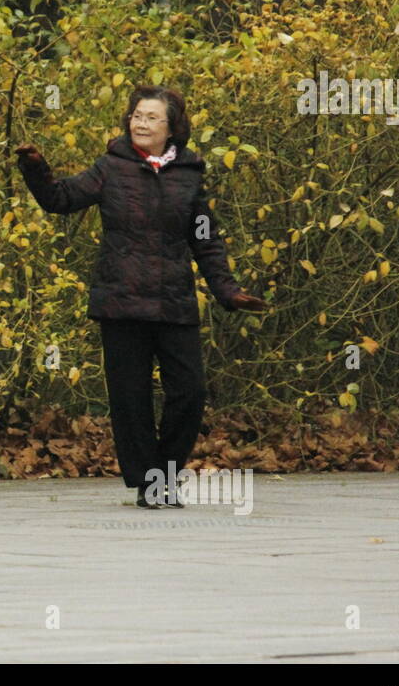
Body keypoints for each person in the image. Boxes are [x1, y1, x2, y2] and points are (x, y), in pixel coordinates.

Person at [15, 85, 267, 508]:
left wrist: (228, 291)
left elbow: (205, 239)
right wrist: (36, 170)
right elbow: (60, 199)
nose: (141, 122)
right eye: (136, 115)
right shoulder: (110, 167)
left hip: (174, 303)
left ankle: (166, 472)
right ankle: (153, 485)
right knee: (131, 401)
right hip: (121, 302)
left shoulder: (190, 174)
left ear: (172, 128)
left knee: (190, 393)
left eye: (151, 117)